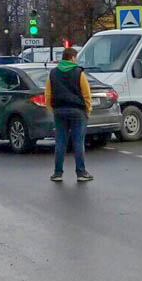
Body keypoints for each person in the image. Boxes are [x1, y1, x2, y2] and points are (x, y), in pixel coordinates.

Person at [44, 46, 93, 183]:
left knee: (60, 142)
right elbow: (86, 94)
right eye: (75, 58)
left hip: (59, 111)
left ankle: (57, 173)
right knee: (78, 142)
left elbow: (48, 93)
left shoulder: (53, 73)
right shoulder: (79, 73)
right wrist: (88, 110)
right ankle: (81, 172)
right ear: (72, 58)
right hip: (77, 111)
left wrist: (51, 108)